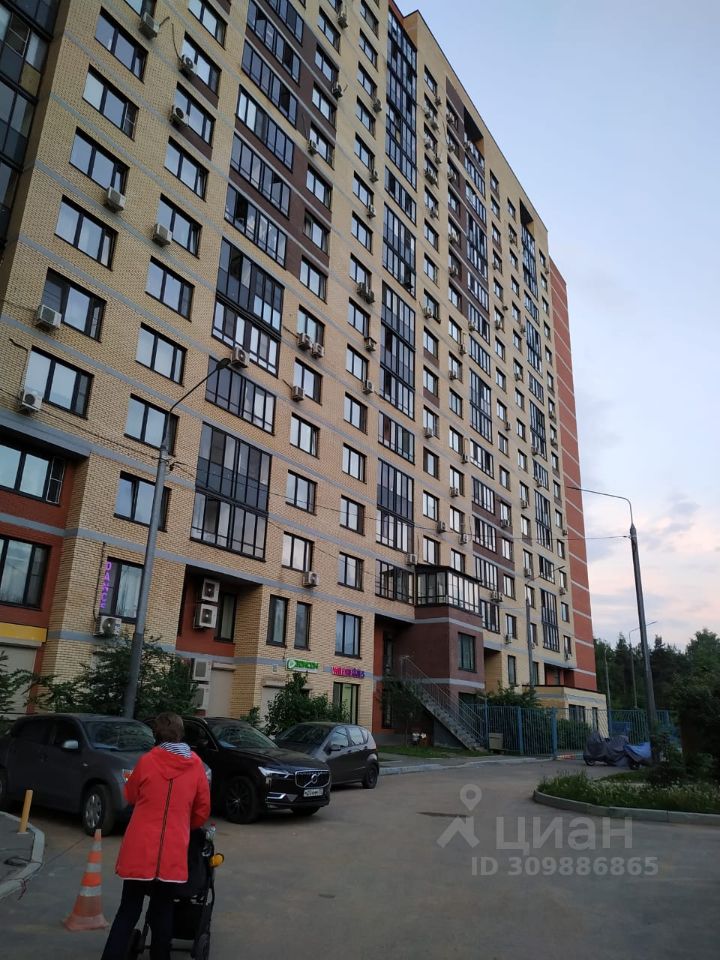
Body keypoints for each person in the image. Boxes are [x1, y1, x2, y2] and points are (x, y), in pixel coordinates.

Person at [101, 712, 211, 960]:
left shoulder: (147, 761)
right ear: (181, 734)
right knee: (163, 911)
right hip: (173, 850)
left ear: (156, 734)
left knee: (128, 909)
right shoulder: (195, 765)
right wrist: (184, 826)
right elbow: (202, 811)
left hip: (139, 848)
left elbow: (130, 795)